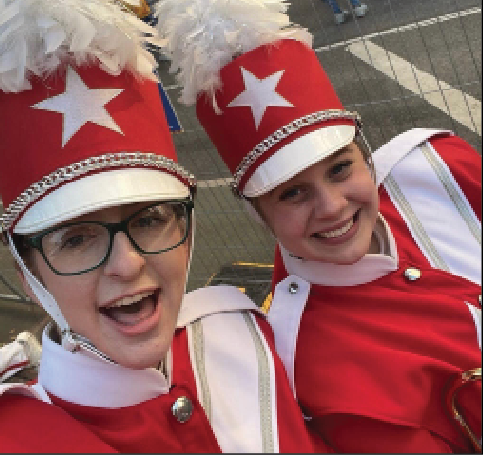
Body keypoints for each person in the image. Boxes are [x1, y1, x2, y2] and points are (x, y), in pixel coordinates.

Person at [157, 0, 482, 452]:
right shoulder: (305, 361)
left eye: (340, 168)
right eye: (292, 192)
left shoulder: (438, 171)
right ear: (260, 213)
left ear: (365, 157)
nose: (332, 207)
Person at [0, 1, 325, 452]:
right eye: (75, 238)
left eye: (150, 219)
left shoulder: (247, 336)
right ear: (30, 278)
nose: (128, 263)